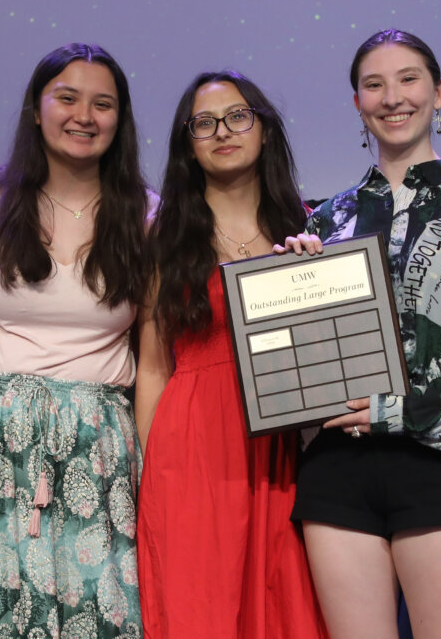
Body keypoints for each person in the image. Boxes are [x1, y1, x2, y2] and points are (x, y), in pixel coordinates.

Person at [282, 29, 441, 639]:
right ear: (357, 104)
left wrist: (398, 411)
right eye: (374, 84)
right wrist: (290, 291)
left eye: (409, 79)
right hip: (339, 467)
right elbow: (302, 367)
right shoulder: (327, 219)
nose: (392, 97)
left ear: (439, 92)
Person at [0, 43, 148, 638]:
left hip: (97, 443)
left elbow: (158, 357)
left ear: (119, 120)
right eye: (67, 98)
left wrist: (150, 460)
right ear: (36, 109)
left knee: (100, 610)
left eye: (103, 104)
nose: (85, 116)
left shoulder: (147, 216)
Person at [135, 71, 327, 638]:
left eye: (238, 116)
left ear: (264, 130)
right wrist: (154, 473)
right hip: (191, 447)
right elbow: (151, 365)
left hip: (281, 448)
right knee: (201, 610)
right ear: (187, 146)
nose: (223, 130)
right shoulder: (164, 235)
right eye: (204, 123)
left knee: (286, 605)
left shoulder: (306, 226)